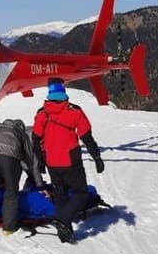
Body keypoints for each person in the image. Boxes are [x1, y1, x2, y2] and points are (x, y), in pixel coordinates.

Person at [32, 79, 104, 243]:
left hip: (51, 161)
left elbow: (35, 139)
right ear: (63, 92)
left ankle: (66, 233)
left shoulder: (42, 113)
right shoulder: (74, 111)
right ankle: (62, 219)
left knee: (60, 194)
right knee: (81, 193)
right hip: (71, 160)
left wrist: (41, 162)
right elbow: (86, 136)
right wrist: (97, 157)